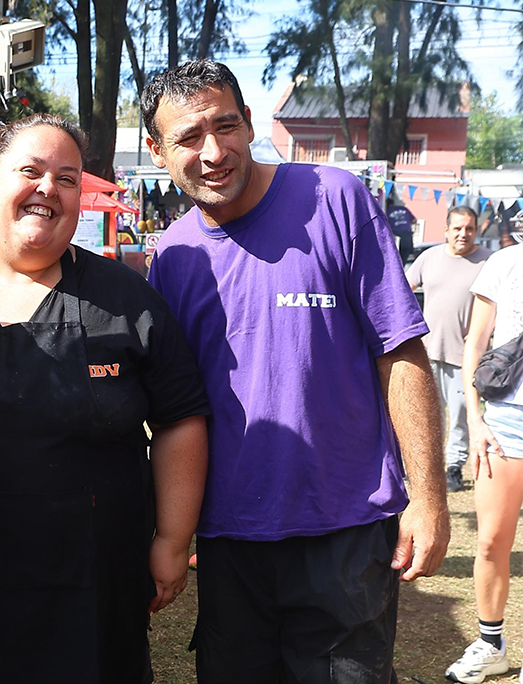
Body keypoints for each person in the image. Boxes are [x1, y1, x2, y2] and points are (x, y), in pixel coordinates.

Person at [142, 60, 450, 683]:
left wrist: (429, 498)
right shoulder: (172, 255)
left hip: (346, 530)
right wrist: (171, 531)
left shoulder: (335, 199)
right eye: (188, 138)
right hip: (230, 540)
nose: (213, 152)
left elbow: (400, 351)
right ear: (157, 151)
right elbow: (174, 411)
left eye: (225, 126)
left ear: (250, 121)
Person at [0, 114, 210, 684]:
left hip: (90, 593)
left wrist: (171, 540)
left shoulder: (125, 300)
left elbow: (180, 418)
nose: (49, 188)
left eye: (67, 179)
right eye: (31, 171)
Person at [444, 239, 523, 683]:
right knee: (492, 541)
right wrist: (474, 421)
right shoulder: (505, 262)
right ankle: (491, 646)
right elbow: (474, 342)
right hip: (505, 422)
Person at [405, 206, 491, 492]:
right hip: (426, 352)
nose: (463, 234)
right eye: (457, 228)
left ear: (476, 231)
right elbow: (403, 290)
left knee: (460, 416)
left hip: (464, 357)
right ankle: (423, 468)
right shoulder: (428, 258)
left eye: (469, 228)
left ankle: (454, 468)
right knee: (426, 415)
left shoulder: (488, 262)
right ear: (446, 230)